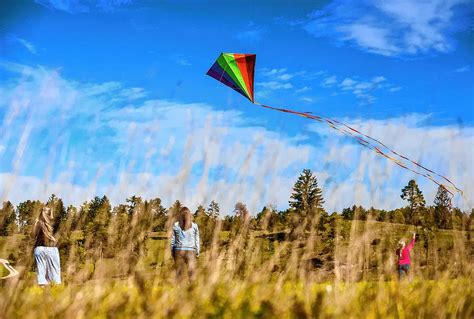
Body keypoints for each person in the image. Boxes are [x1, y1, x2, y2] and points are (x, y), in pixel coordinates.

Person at [33, 206, 61, 285]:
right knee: (55, 275)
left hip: (39, 249)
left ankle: (41, 292)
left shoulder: (38, 223)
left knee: (41, 274)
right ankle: (55, 293)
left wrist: (36, 222)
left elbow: (33, 235)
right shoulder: (54, 223)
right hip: (52, 249)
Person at [171, 207, 200, 282]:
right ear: (189, 215)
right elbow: (197, 240)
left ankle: (179, 292)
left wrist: (172, 251)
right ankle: (192, 291)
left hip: (178, 251)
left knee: (179, 274)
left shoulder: (175, 225)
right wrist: (197, 251)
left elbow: (172, 240)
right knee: (192, 274)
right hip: (191, 251)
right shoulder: (194, 226)